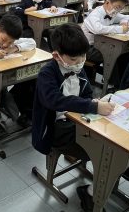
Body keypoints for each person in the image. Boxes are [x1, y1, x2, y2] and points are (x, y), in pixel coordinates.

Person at [32, 23, 114, 157]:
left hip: (78, 119)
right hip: (56, 127)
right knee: (100, 148)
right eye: (74, 59)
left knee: (107, 135)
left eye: (83, 56)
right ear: (56, 56)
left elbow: (87, 93)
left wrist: (94, 102)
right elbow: (55, 101)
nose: (80, 62)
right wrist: (92, 106)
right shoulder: (47, 73)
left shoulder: (76, 67)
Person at [83, 0, 129, 85]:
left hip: (102, 45)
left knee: (125, 52)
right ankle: (111, 84)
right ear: (107, 2)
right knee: (114, 54)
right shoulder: (95, 14)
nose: (118, 10)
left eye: (121, 8)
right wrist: (120, 29)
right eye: (118, 7)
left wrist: (124, 21)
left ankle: (123, 81)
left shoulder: (112, 13)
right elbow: (98, 29)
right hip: (87, 48)